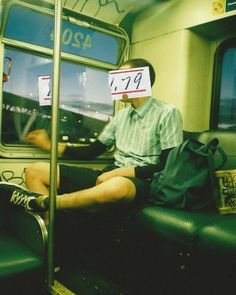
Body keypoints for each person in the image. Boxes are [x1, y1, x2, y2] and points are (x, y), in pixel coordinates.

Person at [0, 58, 183, 214]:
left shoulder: (167, 113)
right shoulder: (121, 116)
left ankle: (48, 204)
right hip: (111, 173)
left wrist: (120, 173)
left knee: (117, 187)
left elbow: (168, 165)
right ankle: (48, 228)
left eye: (121, 77)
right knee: (35, 171)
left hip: (143, 181)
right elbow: (92, 151)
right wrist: (48, 145)